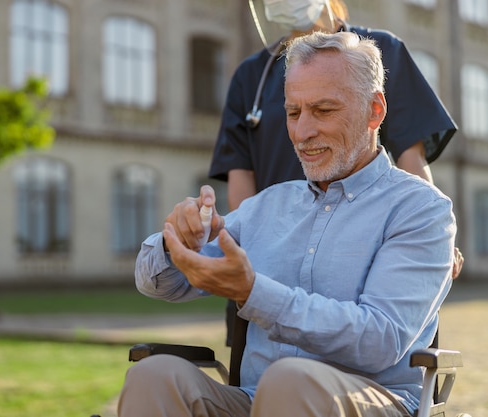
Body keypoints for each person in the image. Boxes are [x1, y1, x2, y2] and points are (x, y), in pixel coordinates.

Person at [118, 30, 456, 417]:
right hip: (255, 400)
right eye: (293, 113)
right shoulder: (266, 206)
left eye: (323, 110)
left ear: (375, 110)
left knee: (289, 382)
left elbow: (380, 341)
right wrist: (176, 240)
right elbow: (157, 282)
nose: (303, 132)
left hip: (375, 399)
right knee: (154, 375)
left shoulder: (421, 210)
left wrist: (253, 292)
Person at [209, 0, 464, 278]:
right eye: (293, 112)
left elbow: (410, 157)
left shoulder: (379, 52)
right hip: (273, 258)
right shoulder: (251, 76)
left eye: (323, 109)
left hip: (361, 251)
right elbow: (240, 179)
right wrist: (250, 258)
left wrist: (430, 231)